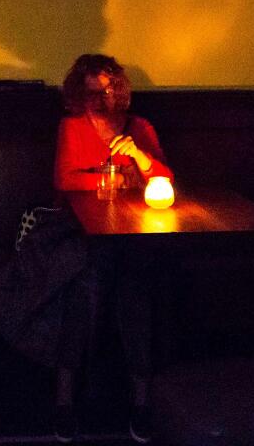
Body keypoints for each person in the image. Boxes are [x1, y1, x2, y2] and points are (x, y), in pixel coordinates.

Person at [52, 54, 172, 444]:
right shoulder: (72, 127)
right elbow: (65, 180)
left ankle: (140, 399)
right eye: (89, 90)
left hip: (133, 234)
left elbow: (166, 182)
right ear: (78, 93)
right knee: (88, 278)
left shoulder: (140, 127)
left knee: (132, 284)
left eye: (105, 88)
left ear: (117, 89)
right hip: (82, 233)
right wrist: (115, 181)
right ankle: (65, 398)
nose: (98, 98)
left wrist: (138, 156)